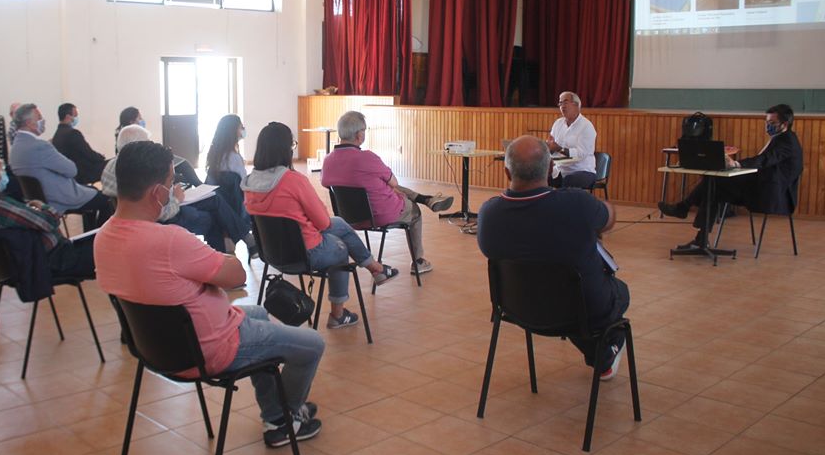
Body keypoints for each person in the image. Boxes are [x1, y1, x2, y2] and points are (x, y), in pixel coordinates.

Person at [95, 140, 325, 447]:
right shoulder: (169, 241)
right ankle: (285, 418)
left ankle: (275, 411)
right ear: (157, 194)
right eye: (170, 183)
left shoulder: (103, 237)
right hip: (210, 350)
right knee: (312, 343)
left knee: (256, 314)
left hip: (156, 348)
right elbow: (237, 275)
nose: (173, 188)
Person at [477, 136, 629, 380]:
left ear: (507, 172)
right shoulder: (577, 203)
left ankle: (599, 354)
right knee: (617, 291)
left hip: (518, 308)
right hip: (576, 309)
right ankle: (604, 351)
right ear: (550, 169)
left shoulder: (488, 213)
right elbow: (608, 219)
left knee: (561, 293)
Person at [242, 122, 398, 329]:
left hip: (271, 255)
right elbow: (323, 223)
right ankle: (338, 315)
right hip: (305, 253)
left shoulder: (249, 182)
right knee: (340, 247)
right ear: (286, 148)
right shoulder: (293, 181)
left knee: (340, 223)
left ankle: (375, 268)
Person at [320, 111, 453, 275]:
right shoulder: (367, 157)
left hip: (347, 218)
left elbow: (326, 184)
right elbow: (394, 182)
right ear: (359, 135)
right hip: (380, 215)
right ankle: (418, 261)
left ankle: (427, 199)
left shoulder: (327, 161)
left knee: (381, 185)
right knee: (414, 211)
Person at [659, 104, 804, 249]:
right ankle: (699, 237)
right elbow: (762, 160)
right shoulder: (780, 138)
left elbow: (765, 159)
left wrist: (736, 164)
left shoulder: (787, 141)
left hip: (772, 195)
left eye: (772, 123)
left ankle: (685, 211)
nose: (768, 126)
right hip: (760, 187)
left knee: (713, 184)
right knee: (713, 186)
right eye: (766, 122)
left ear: (785, 124)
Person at [0, 146, 95, 288]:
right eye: (0, 164)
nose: (3, 168)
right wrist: (43, 207)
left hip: (33, 260)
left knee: (101, 244)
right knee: (113, 253)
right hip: (51, 261)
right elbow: (50, 221)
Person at [102, 125, 247, 253]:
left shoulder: (109, 167)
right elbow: (160, 213)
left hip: (139, 218)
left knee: (213, 199)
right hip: (166, 217)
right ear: (138, 146)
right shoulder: (141, 170)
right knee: (212, 217)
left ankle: (242, 240)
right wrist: (177, 199)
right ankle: (223, 260)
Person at [9, 103, 114, 231]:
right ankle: (96, 236)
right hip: (59, 197)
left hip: (37, 199)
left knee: (92, 193)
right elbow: (71, 170)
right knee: (106, 199)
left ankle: (89, 234)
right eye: (39, 118)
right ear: (30, 123)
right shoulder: (40, 146)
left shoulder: (15, 148)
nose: (43, 121)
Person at [205, 114, 258, 258]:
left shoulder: (213, 155)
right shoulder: (234, 158)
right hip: (237, 206)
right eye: (241, 127)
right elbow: (243, 185)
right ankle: (244, 238)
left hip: (222, 205)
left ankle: (229, 239)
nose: (243, 129)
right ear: (233, 131)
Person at [116, 106, 203, 187]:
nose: (142, 120)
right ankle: (201, 187)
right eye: (139, 118)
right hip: (148, 170)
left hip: (147, 169)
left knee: (182, 169)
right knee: (183, 174)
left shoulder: (122, 136)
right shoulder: (130, 135)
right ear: (131, 121)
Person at [546, 92, 597, 189]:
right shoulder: (558, 123)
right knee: (538, 177)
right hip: (560, 169)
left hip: (582, 170)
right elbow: (551, 143)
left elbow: (581, 154)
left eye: (565, 102)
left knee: (569, 181)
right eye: (560, 103)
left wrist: (559, 149)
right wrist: (548, 147)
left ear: (577, 105)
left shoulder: (586, 126)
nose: (562, 106)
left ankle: (562, 204)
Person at [52, 103, 107, 184]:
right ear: (68, 116)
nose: (77, 118)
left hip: (72, 173)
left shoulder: (57, 134)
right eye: (75, 115)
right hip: (82, 173)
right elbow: (88, 153)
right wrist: (101, 157)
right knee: (113, 164)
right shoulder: (73, 133)